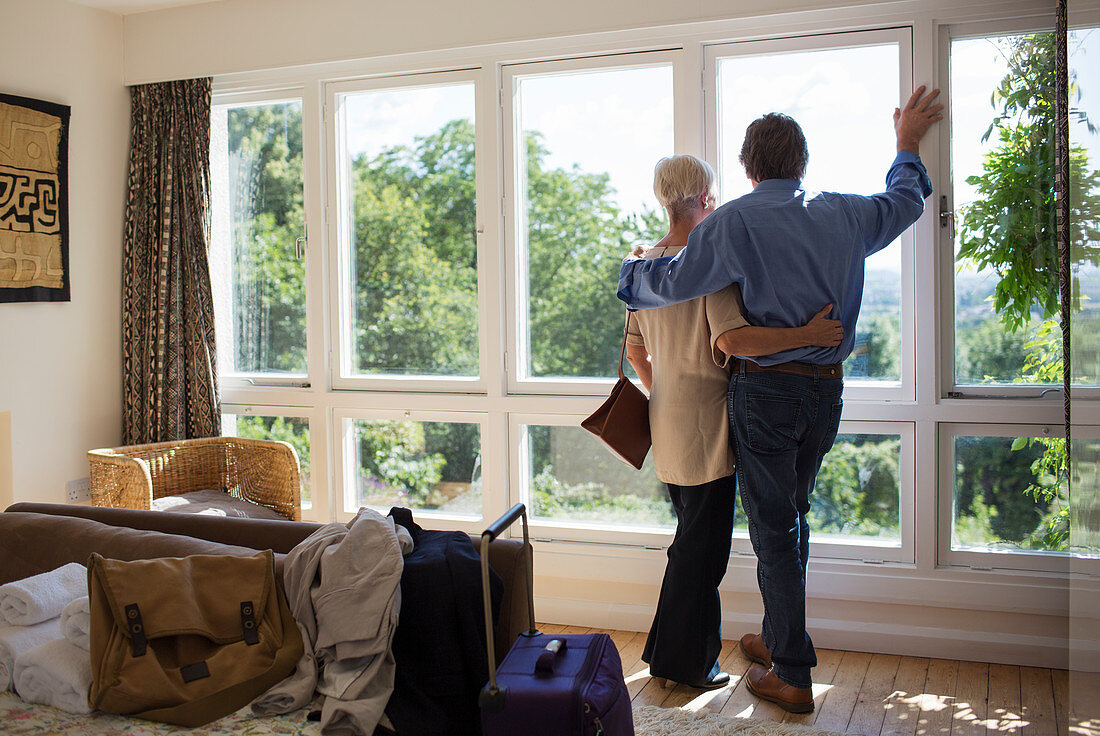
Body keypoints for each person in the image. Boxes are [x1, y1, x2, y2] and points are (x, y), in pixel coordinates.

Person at [617, 87, 943, 711]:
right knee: (793, 515)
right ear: (802, 162)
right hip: (825, 393)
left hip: (766, 392)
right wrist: (905, 143)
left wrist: (631, 274)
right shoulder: (844, 212)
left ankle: (793, 671)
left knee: (773, 528)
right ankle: (779, 638)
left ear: (748, 167)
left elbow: (678, 279)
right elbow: (906, 201)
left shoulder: (735, 220)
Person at [625, 154, 843, 691]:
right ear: (702, 198)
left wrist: (665, 394)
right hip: (709, 429)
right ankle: (687, 664)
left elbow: (636, 354)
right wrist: (809, 336)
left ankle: (666, 651)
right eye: (714, 196)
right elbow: (735, 342)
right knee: (703, 554)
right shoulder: (709, 267)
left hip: (667, 420)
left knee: (689, 543)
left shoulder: (644, 269)